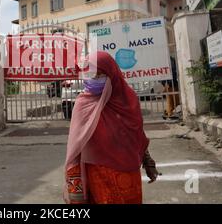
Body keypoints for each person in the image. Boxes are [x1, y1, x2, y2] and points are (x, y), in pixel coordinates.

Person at [64, 51, 159, 204]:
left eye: (98, 76)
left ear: (112, 74)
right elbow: (75, 150)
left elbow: (136, 135)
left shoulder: (128, 100)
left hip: (129, 175)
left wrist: (148, 161)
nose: (92, 80)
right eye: (89, 75)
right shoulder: (83, 104)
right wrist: (76, 192)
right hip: (99, 176)